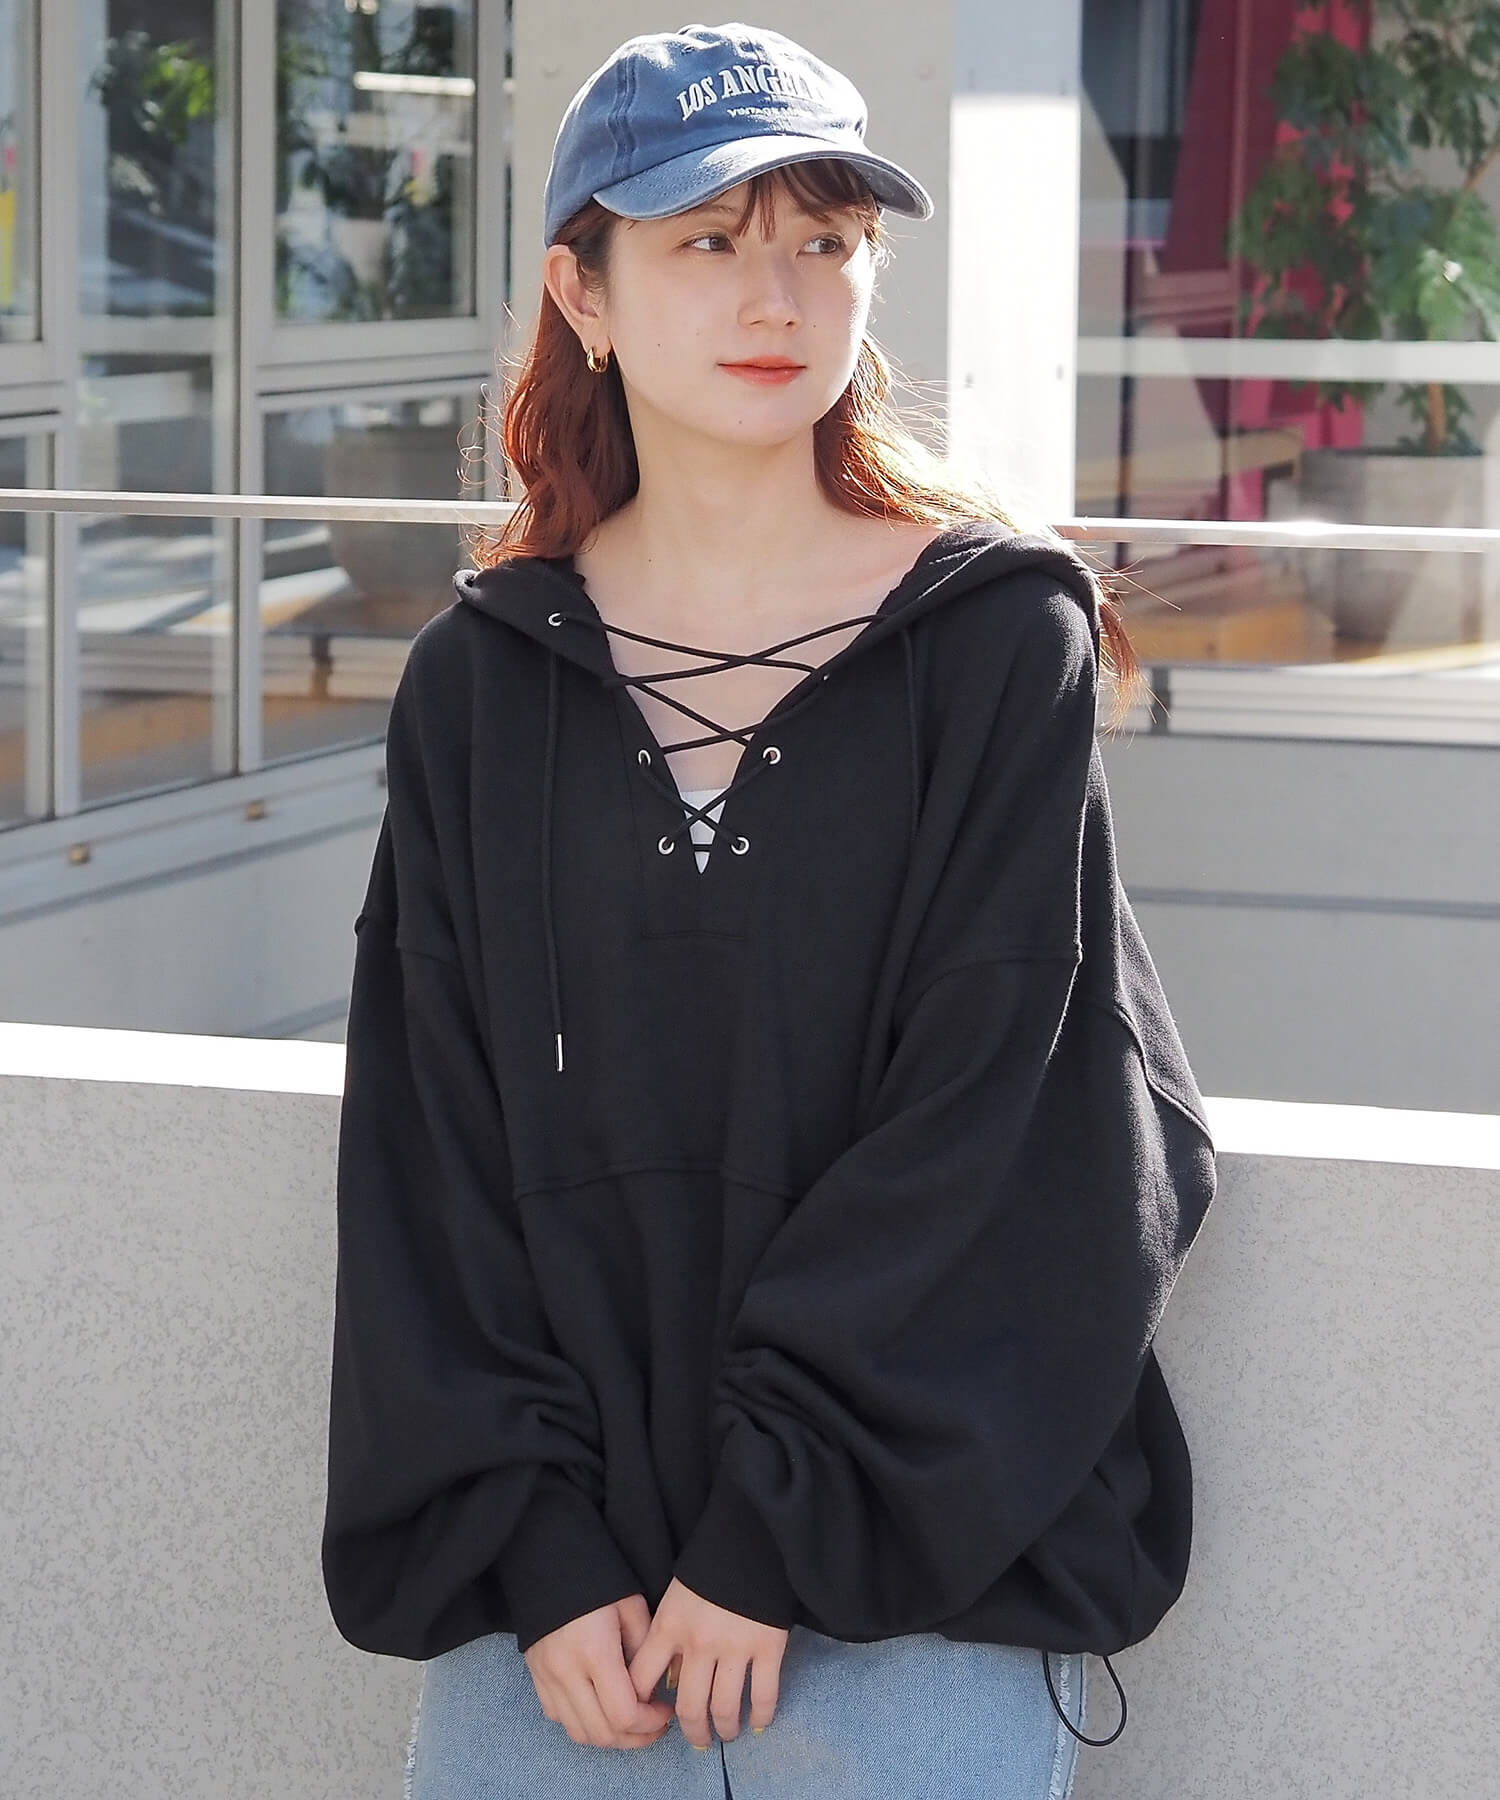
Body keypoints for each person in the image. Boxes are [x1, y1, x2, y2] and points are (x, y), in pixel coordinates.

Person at [319, 20, 1218, 1800]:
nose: (777, 294)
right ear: (583, 292)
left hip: (912, 1591)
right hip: (563, 1626)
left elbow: (1015, 1110)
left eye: (826, 239)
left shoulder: (996, 642)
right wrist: (537, 1547)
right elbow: (428, 1146)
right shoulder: (480, 686)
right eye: (709, 240)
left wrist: (774, 1531)